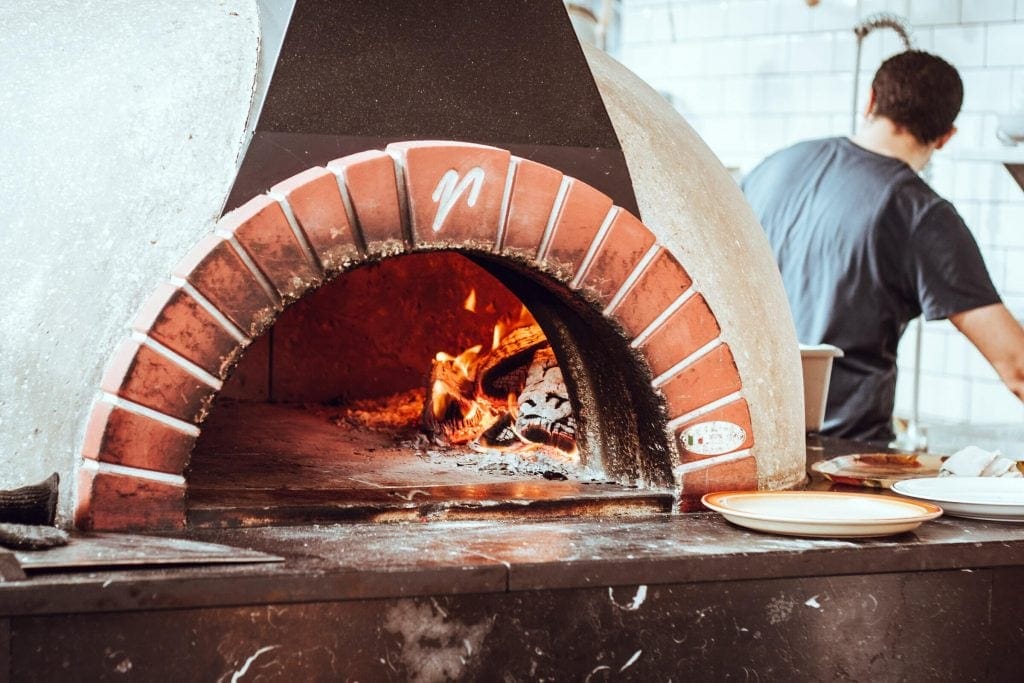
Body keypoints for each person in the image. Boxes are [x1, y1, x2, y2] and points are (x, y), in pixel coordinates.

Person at [741, 50, 1024, 444]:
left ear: (871, 100)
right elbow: (1017, 366)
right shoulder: (921, 213)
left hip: (751, 438)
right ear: (945, 137)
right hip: (842, 459)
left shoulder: (775, 165)